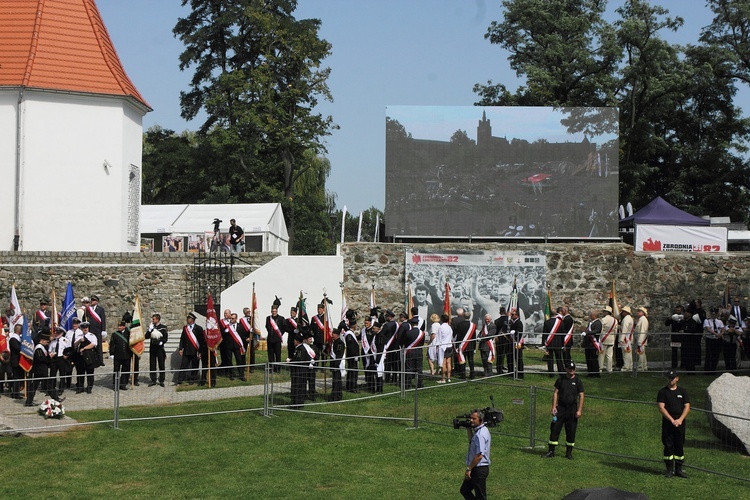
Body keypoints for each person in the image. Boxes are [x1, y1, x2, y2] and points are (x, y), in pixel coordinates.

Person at [543, 361, 585, 459]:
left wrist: (579, 410)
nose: (572, 371)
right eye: (570, 369)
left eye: (573, 369)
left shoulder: (578, 381)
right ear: (566, 369)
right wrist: (554, 407)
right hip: (561, 408)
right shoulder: (561, 379)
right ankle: (551, 451)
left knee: (571, 431)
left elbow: (581, 395)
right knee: (555, 429)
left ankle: (569, 453)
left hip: (572, 409)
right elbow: (556, 393)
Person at [657, 370, 690, 478]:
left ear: (677, 379)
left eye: (673, 378)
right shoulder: (663, 392)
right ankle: (669, 470)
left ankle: (679, 470)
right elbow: (661, 408)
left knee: (679, 445)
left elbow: (687, 407)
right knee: (668, 445)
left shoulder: (683, 392)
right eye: (669, 378)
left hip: (680, 423)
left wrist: (680, 420)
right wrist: (671, 420)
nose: (671, 380)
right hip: (668, 423)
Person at [460, 409, 491, 500]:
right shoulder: (480, 431)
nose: (471, 420)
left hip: (479, 469)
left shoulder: (480, 435)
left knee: (480, 497)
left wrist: (469, 468)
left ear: (481, 419)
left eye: (474, 418)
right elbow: (471, 441)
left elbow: (479, 455)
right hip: (476, 468)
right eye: (471, 418)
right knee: (464, 490)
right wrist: (468, 429)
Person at [25, 330, 55, 406]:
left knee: (45, 385)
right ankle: (55, 398)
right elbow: (40, 358)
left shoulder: (42, 347)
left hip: (42, 370)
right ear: (43, 340)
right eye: (47, 341)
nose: (47, 343)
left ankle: (56, 398)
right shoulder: (39, 348)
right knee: (42, 385)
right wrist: (49, 357)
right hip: (40, 370)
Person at [178, 313, 202, 384]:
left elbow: (201, 341)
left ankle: (192, 379)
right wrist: (180, 348)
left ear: (192, 320)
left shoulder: (198, 328)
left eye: (188, 319)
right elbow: (182, 339)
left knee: (195, 365)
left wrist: (200, 351)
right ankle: (180, 379)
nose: (187, 320)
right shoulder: (185, 328)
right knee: (183, 365)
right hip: (187, 350)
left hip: (195, 350)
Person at [83, 294, 107, 367]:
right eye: (92, 300)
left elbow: (103, 319)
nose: (92, 301)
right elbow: (85, 318)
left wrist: (103, 330)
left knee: (99, 346)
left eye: (94, 300)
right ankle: (91, 359)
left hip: (98, 330)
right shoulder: (88, 309)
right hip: (90, 329)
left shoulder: (100, 309)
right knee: (91, 344)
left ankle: (100, 361)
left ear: (97, 301)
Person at [145, 313, 168, 387]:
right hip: (152, 348)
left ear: (157, 319)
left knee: (161, 364)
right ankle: (153, 380)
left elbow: (165, 338)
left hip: (160, 349)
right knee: (152, 364)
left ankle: (161, 380)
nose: (152, 320)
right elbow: (146, 336)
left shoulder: (163, 327)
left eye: (153, 319)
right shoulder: (151, 327)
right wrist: (149, 330)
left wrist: (162, 342)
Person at [75, 321, 98, 393]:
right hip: (81, 357)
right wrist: (79, 341)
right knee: (80, 373)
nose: (85, 329)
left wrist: (84, 348)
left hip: (89, 357)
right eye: (84, 327)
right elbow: (75, 345)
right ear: (81, 328)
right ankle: (80, 387)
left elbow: (93, 344)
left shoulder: (92, 336)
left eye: (86, 327)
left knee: (90, 373)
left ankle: (89, 387)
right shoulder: (79, 336)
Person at [402, 316, 425, 388]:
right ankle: (419, 384)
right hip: (418, 351)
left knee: (409, 368)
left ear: (411, 324)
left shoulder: (408, 333)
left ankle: (408, 384)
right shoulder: (422, 333)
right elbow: (422, 343)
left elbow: (405, 343)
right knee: (419, 368)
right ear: (417, 323)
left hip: (410, 351)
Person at [543, 307, 566, 376]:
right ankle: (561, 372)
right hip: (558, 343)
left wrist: (544, 343)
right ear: (556, 314)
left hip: (549, 343)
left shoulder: (547, 322)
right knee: (559, 358)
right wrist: (563, 343)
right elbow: (563, 334)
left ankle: (551, 373)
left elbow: (544, 333)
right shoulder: (560, 322)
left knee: (550, 358)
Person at [109, 321, 132, 390]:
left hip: (127, 355)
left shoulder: (129, 333)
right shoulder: (115, 334)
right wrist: (112, 353)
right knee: (116, 370)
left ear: (124, 326)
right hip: (117, 356)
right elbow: (112, 345)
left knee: (126, 370)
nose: (119, 327)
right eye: (118, 326)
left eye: (120, 326)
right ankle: (115, 384)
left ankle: (123, 384)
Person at [265, 298, 285, 373]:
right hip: (270, 339)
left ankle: (278, 368)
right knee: (270, 355)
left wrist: (279, 335)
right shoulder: (268, 318)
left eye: (275, 311)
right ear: (271, 311)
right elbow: (267, 326)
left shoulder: (281, 318)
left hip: (277, 339)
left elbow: (283, 328)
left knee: (278, 354)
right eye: (272, 311)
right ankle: (271, 368)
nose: (274, 312)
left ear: (277, 311)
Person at [703, 307, 724, 373]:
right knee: (709, 355)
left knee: (716, 355)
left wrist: (721, 333)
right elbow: (708, 329)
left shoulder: (719, 321)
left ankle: (713, 369)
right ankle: (707, 370)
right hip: (710, 339)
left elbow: (723, 328)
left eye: (714, 313)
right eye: (712, 313)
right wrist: (716, 333)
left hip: (717, 340)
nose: (713, 314)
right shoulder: (707, 320)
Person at [665, 305, 685, 369]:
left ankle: (683, 365)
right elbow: (667, 324)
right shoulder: (673, 317)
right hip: (674, 336)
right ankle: (674, 365)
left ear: (681, 311)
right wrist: (669, 319)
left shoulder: (683, 317)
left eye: (678, 310)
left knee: (683, 351)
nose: (677, 312)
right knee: (674, 352)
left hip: (682, 337)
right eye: (676, 310)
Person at [583, 309, 602, 377]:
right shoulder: (591, 322)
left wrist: (587, 333)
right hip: (588, 343)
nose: (590, 316)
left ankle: (595, 373)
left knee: (593, 359)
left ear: (594, 316)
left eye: (591, 315)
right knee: (588, 359)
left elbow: (596, 331)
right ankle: (590, 372)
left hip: (593, 343)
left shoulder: (598, 323)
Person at [599, 305, 618, 373]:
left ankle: (600, 368)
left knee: (601, 354)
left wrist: (600, 338)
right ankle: (609, 369)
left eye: (604, 311)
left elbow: (601, 329)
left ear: (606, 312)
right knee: (610, 355)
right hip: (611, 338)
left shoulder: (603, 320)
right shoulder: (615, 320)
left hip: (604, 338)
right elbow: (616, 331)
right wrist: (614, 338)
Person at [507, 308, 524, 378]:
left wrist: (515, 332)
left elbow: (520, 331)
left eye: (513, 315)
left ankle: (520, 373)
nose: (511, 316)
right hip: (511, 343)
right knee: (510, 357)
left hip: (517, 343)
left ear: (517, 315)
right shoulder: (511, 322)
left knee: (518, 358)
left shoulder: (519, 322)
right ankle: (510, 372)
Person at [343, 319, 359, 392]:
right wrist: (355, 355)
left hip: (352, 356)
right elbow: (351, 346)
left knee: (352, 372)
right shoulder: (349, 334)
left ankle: (351, 387)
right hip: (352, 356)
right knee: (353, 372)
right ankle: (352, 387)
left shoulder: (350, 333)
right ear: (354, 325)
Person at [436, 313, 453, 383]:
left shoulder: (441, 327)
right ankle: (448, 377)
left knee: (443, 363)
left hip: (443, 346)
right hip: (449, 345)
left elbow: (439, 338)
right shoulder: (449, 327)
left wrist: (437, 346)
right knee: (449, 362)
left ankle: (443, 378)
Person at [635, 307, 649, 371]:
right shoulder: (641, 319)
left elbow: (643, 331)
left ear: (643, 313)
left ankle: (641, 367)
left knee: (640, 354)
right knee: (642, 354)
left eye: (639, 311)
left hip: (641, 340)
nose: (637, 312)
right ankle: (644, 366)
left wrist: (640, 341)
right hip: (641, 339)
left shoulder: (643, 320)